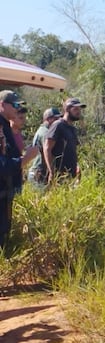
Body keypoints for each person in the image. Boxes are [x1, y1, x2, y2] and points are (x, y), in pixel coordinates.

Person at [0, 90, 24, 249]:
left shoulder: (5, 125)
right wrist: (25, 159)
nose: (17, 108)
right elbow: (2, 165)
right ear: (2, 105)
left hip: (5, 190)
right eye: (14, 105)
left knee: (4, 231)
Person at [45, 97, 86, 185]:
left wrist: (77, 166)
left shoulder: (73, 129)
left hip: (71, 176)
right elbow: (47, 148)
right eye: (75, 109)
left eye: (79, 109)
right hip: (59, 176)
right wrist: (51, 172)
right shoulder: (58, 125)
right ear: (67, 109)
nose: (78, 112)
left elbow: (72, 150)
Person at [27, 107, 60, 188]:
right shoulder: (45, 133)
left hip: (39, 173)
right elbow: (47, 151)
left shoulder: (43, 130)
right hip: (38, 174)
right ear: (48, 119)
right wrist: (52, 172)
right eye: (55, 118)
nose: (58, 121)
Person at [10, 107, 38, 195]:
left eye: (24, 118)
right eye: (21, 118)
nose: (24, 121)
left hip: (18, 175)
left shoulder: (18, 134)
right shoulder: (6, 135)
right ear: (12, 117)